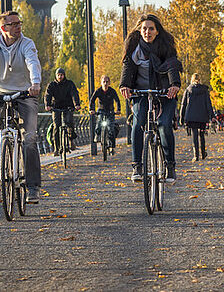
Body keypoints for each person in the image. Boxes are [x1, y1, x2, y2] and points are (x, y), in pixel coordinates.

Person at [0, 10, 43, 204]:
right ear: (4, 28)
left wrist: (35, 83)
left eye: (19, 23)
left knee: (29, 139)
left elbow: (33, 63)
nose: (18, 26)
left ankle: (32, 187)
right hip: (1, 93)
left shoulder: (27, 44)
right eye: (13, 24)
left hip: (25, 94)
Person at [119, 14, 182, 183]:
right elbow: (128, 67)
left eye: (151, 28)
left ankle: (170, 166)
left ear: (157, 31)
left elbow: (172, 66)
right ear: (140, 31)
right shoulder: (134, 48)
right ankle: (137, 166)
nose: (147, 32)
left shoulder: (165, 47)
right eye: (144, 28)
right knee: (138, 123)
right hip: (141, 92)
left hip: (164, 92)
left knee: (163, 125)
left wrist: (174, 84)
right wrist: (124, 85)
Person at [180, 73, 215, 161]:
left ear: (192, 79)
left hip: (191, 116)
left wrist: (182, 117)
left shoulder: (188, 90)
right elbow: (208, 104)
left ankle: (196, 155)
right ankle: (203, 153)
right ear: (200, 79)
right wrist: (212, 116)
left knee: (194, 135)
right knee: (202, 134)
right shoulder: (204, 90)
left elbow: (183, 104)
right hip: (202, 116)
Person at [45, 68, 80, 152]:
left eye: (61, 75)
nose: (60, 76)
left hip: (68, 106)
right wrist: (47, 105)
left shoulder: (69, 84)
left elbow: (74, 94)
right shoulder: (52, 85)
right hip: (56, 107)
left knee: (69, 123)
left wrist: (76, 104)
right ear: (56, 76)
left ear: (64, 75)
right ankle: (56, 148)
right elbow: (48, 95)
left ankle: (71, 140)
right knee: (56, 126)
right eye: (58, 75)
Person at [90, 75, 121, 153]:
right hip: (101, 110)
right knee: (99, 123)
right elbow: (92, 100)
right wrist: (91, 109)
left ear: (109, 83)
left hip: (110, 111)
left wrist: (118, 110)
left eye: (107, 82)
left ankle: (111, 147)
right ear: (101, 83)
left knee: (111, 129)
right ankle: (97, 136)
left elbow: (117, 100)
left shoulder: (112, 91)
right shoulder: (98, 91)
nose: (105, 83)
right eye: (104, 82)